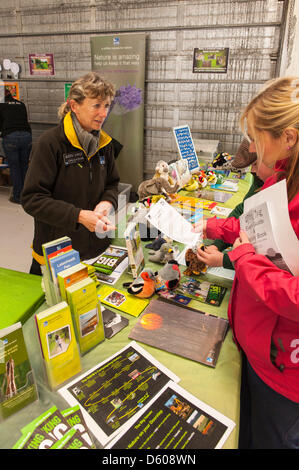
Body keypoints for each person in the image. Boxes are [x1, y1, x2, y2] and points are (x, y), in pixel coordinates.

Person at [193, 77, 299, 449]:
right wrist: (212, 225)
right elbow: (262, 227)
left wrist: (243, 259)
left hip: (287, 373)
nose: (251, 148)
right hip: (262, 352)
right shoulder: (285, 179)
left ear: (286, 137)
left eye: (256, 137)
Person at [22, 72, 119, 275]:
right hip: (58, 254)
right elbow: (33, 199)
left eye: (107, 106)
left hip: (96, 249)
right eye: (97, 106)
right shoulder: (50, 144)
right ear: (74, 106)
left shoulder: (105, 144)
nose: (104, 113)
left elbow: (112, 183)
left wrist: (107, 202)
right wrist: (79, 216)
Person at [204, 138, 274, 270]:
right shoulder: (261, 178)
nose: (252, 171)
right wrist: (218, 244)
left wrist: (227, 260)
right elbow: (243, 210)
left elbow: (271, 260)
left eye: (256, 164)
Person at [0, 89, 32, 203]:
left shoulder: (1, 105)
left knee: (15, 167)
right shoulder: (21, 104)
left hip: (11, 137)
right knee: (24, 166)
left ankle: (18, 196)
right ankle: (27, 194)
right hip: (27, 136)